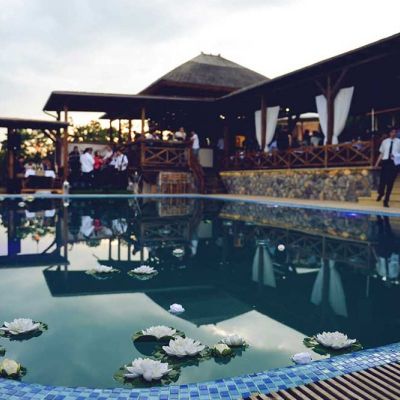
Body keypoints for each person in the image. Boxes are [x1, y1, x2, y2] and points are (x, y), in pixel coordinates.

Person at [375, 127, 400, 207]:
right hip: (385, 162)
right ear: (389, 133)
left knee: (390, 182)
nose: (393, 133)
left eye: (395, 132)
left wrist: (395, 155)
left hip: (394, 163)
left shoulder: (398, 141)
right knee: (383, 180)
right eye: (392, 132)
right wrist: (377, 163)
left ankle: (386, 200)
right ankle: (381, 193)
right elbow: (381, 153)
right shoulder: (385, 142)